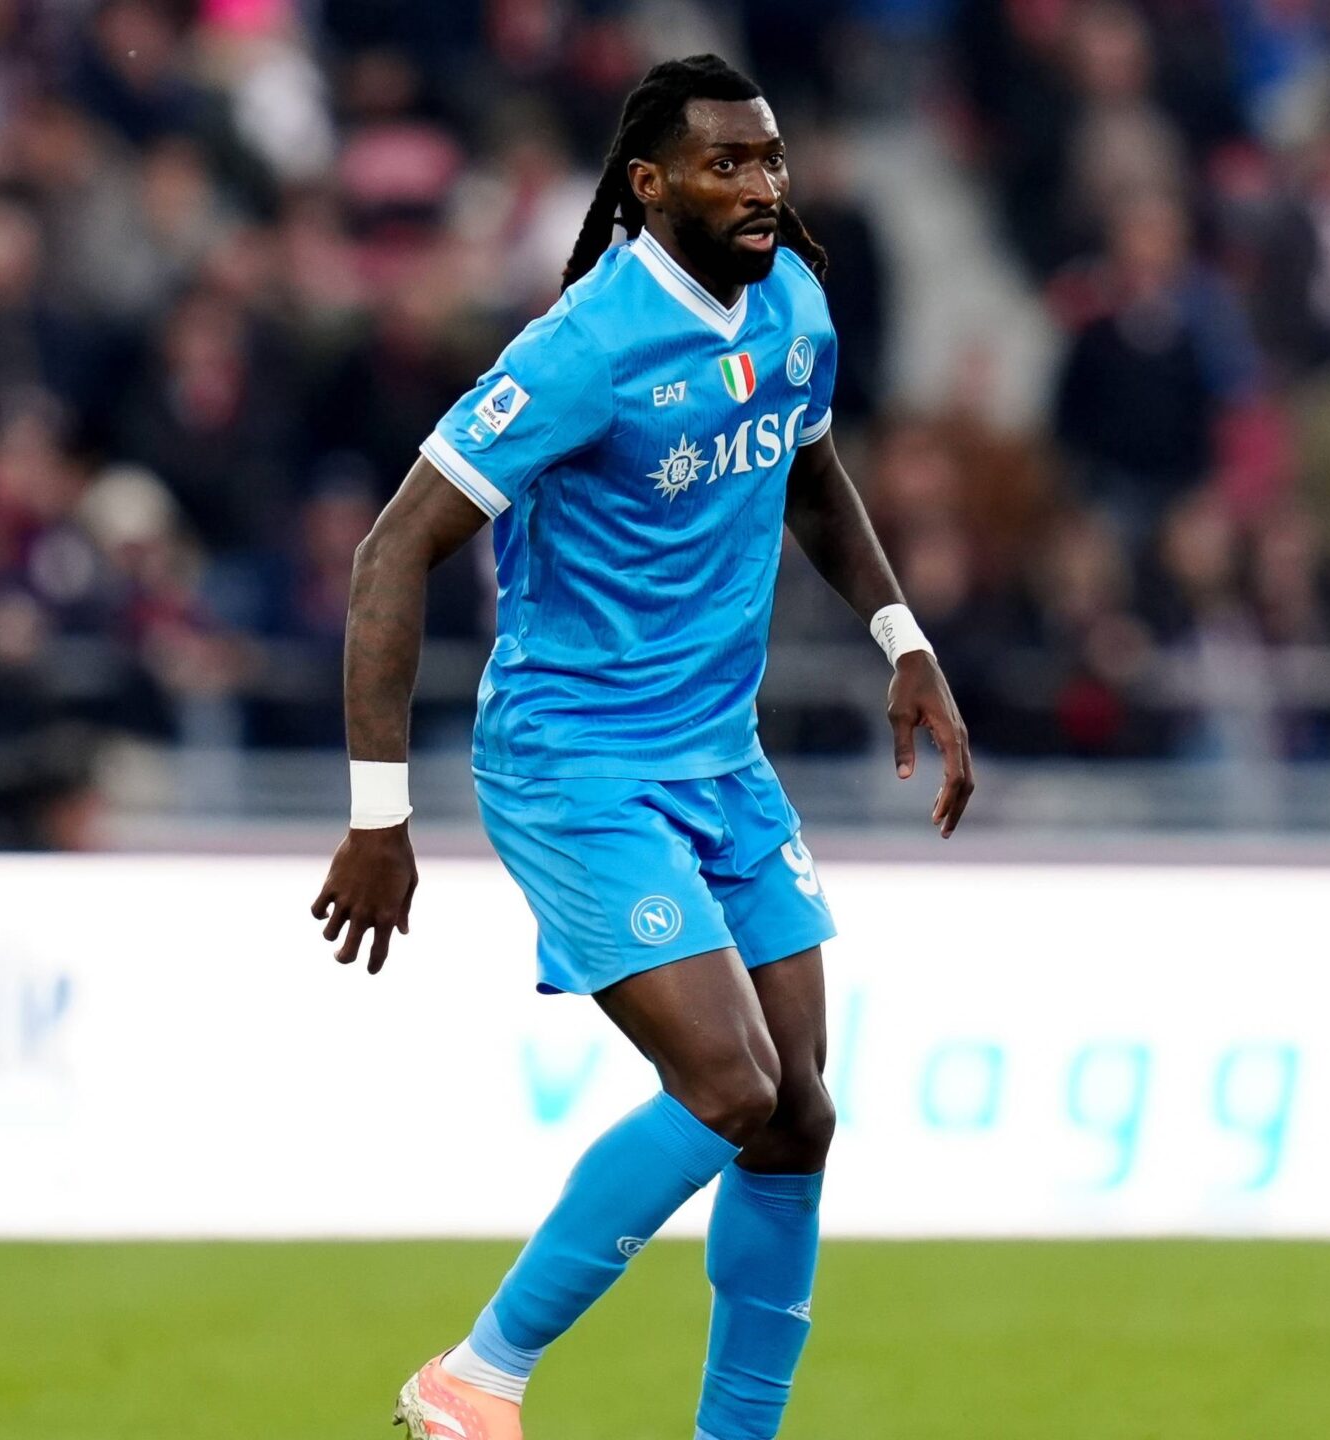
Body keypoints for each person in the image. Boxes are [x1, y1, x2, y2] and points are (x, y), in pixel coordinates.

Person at [309, 55, 975, 1440]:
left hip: (720, 759)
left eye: (770, 159)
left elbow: (807, 465)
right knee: (731, 1085)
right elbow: (390, 553)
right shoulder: (584, 349)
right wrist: (380, 816)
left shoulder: (796, 302)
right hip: (576, 765)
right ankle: (475, 1376)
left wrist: (902, 639)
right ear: (649, 185)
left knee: (798, 1117)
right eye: (728, 165)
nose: (762, 186)